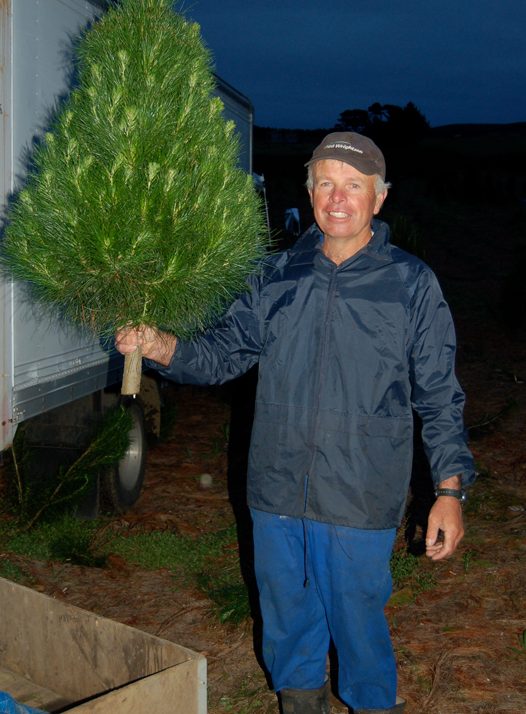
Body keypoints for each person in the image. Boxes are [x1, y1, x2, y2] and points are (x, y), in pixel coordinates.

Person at [116, 132, 475, 714]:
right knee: (286, 619)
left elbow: (439, 396)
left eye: (352, 185)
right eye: (325, 183)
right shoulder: (277, 275)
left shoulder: (410, 285)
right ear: (309, 195)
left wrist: (449, 490)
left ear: (378, 198)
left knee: (359, 627)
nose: (338, 198)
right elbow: (224, 354)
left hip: (362, 494)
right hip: (278, 488)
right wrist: (161, 345)